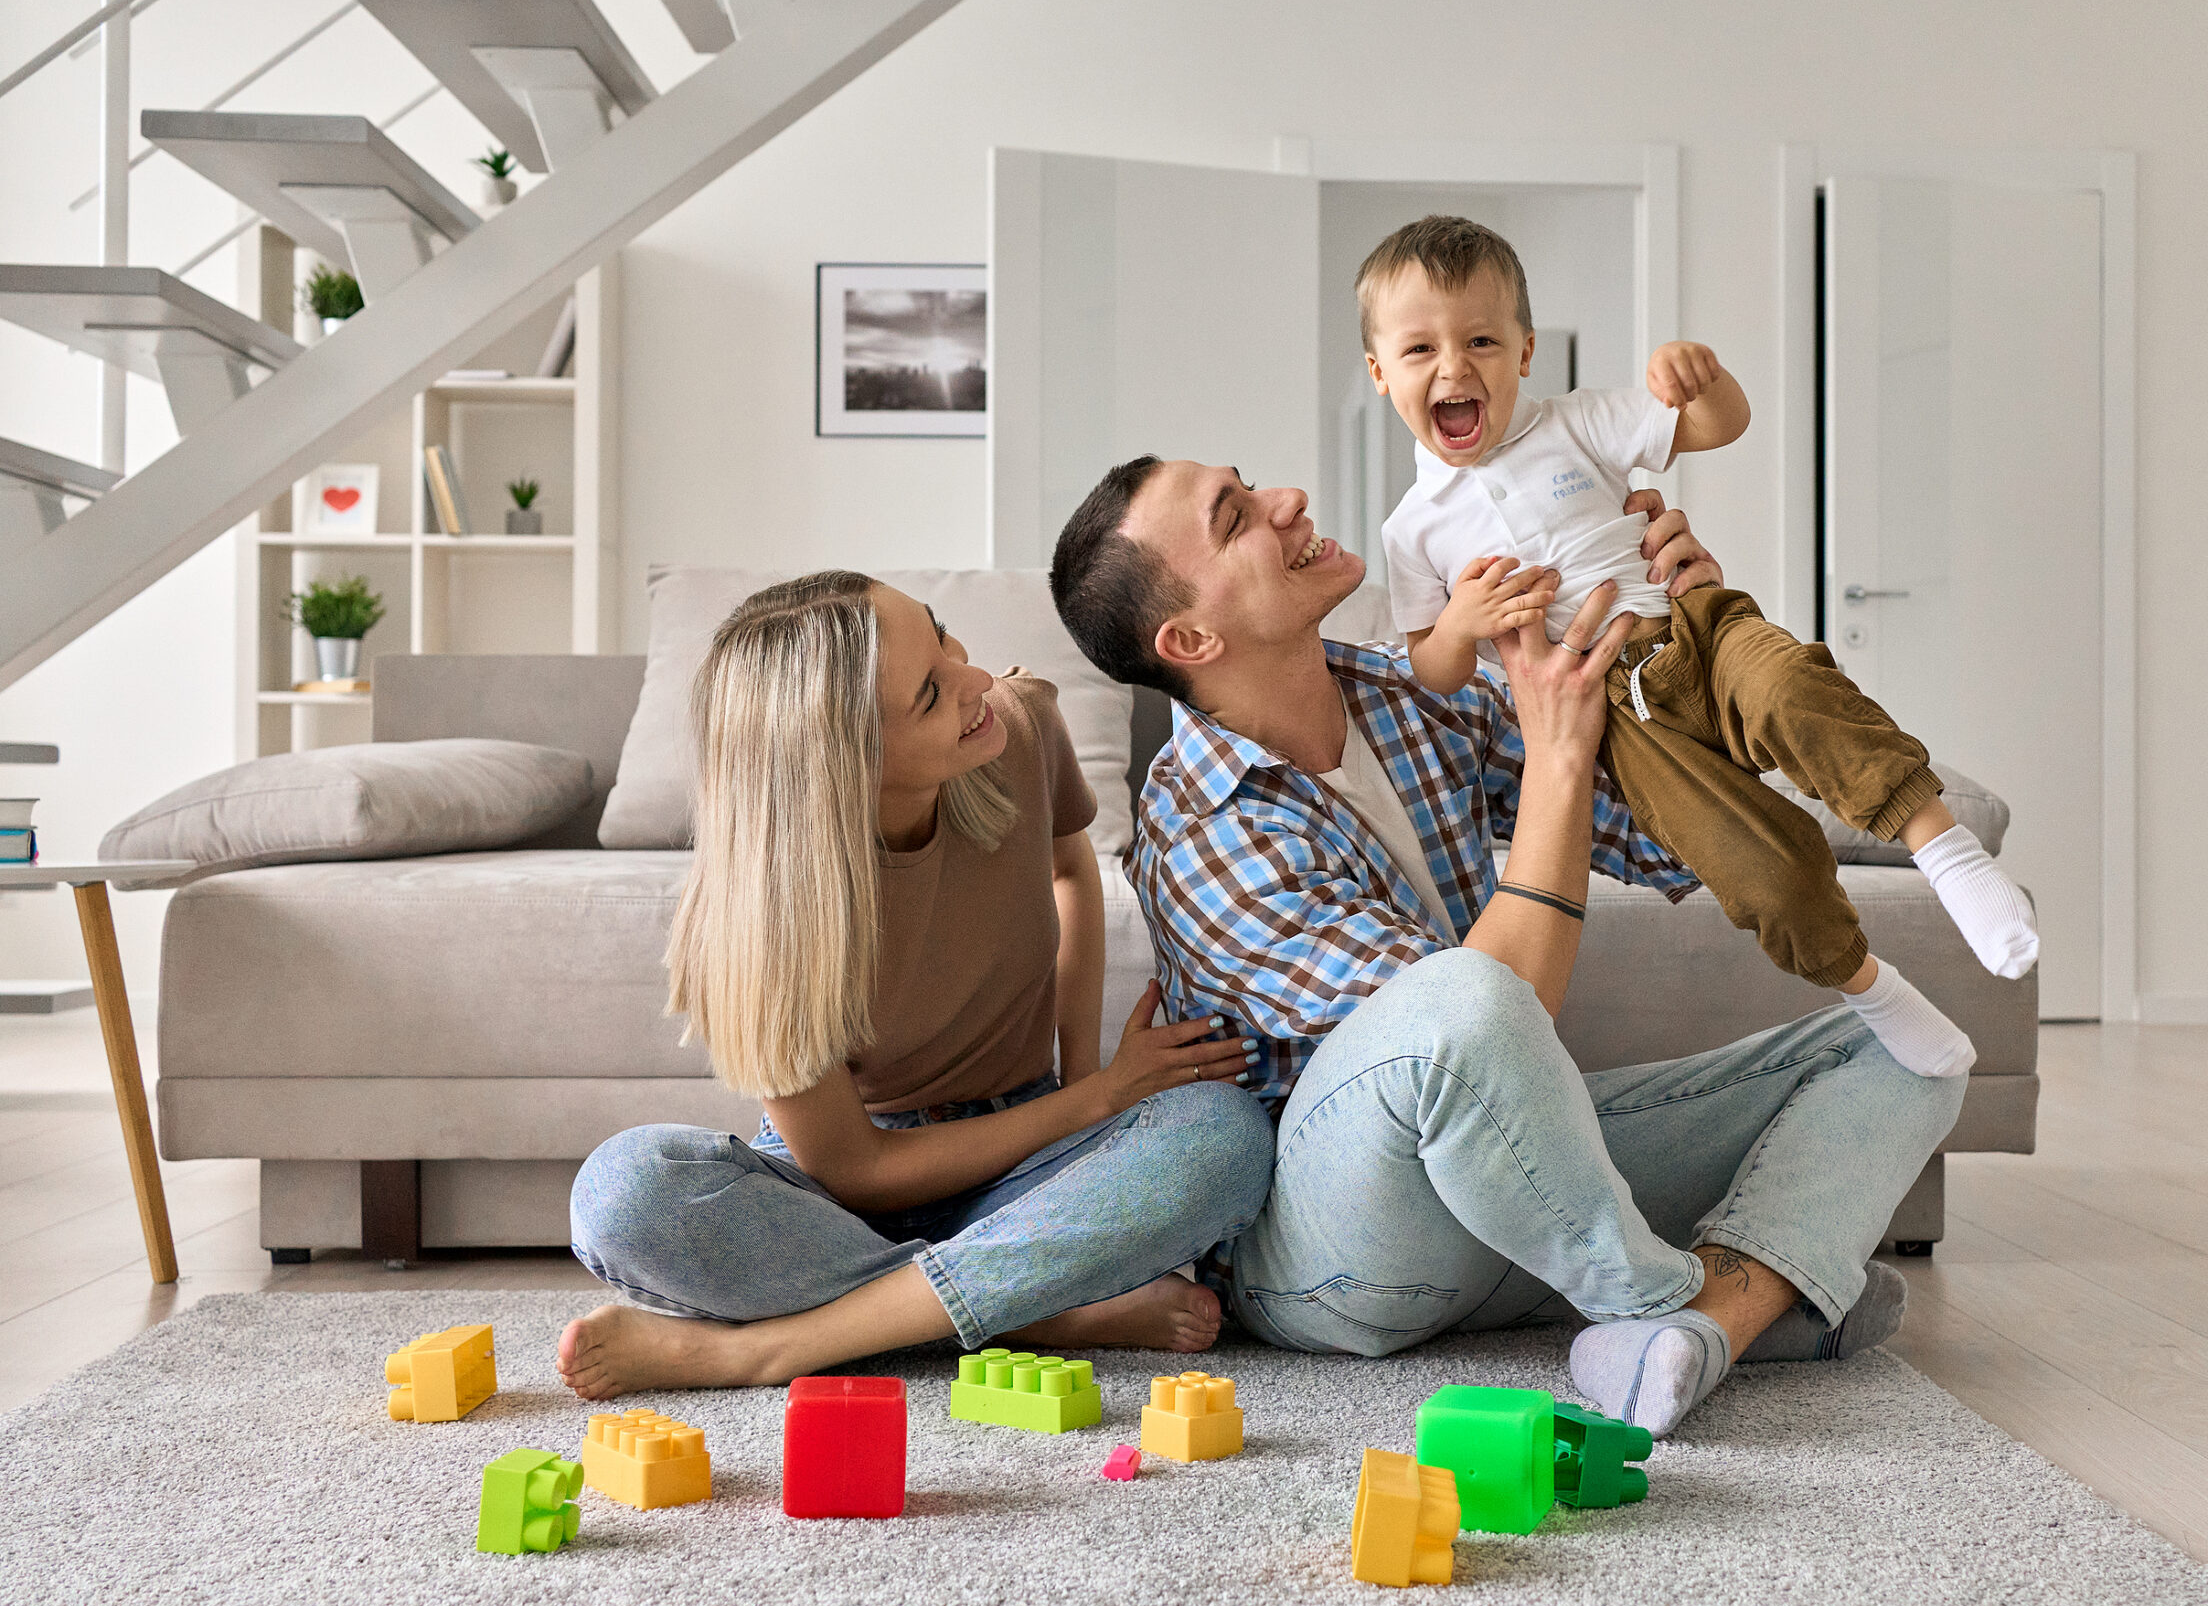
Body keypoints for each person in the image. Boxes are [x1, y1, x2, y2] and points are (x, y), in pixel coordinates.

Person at [1049, 462, 1964, 1438]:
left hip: (1510, 1194)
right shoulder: (1203, 831)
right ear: (1190, 639)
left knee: (1908, 1047)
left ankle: (1712, 1322)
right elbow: (1482, 1018)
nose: (1286, 502)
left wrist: (1694, 644)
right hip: (1336, 1254)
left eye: (1252, 484)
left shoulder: (1413, 699)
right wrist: (1558, 761)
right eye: (1236, 519)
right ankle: (1675, 1302)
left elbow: (1676, 842)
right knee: (1459, 997)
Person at [556, 571, 1274, 1400]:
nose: (976, 682)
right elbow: (855, 1169)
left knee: (1223, 1134)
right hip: (841, 1200)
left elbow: (1072, 868)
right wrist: (1094, 1101)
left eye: (943, 637)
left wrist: (1087, 1083)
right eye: (932, 695)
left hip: (1025, 1155)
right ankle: (1024, 1309)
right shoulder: (754, 920)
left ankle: (780, 1340)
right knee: (620, 1193)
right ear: (844, 766)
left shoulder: (1018, 726)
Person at [1362, 215, 2036, 1077]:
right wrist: (1458, 624)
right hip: (1619, 720)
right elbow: (1429, 666)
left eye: (1482, 340)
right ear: (1382, 375)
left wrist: (1701, 377)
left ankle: (1947, 854)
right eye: (1420, 350)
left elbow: (1719, 426)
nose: (1454, 367)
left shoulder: (1578, 422)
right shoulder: (1413, 528)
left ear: (1525, 352)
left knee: (1796, 690)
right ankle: (1875, 991)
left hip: (1694, 628)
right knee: (1752, 866)